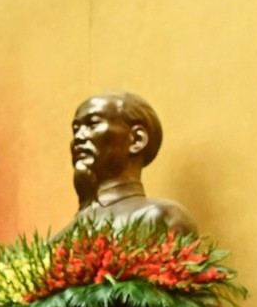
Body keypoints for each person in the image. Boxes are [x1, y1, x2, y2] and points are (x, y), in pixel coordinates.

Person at [62, 91, 198, 236]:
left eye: (92, 124)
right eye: (75, 129)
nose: (78, 137)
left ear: (137, 140)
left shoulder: (161, 218)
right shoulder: (55, 241)